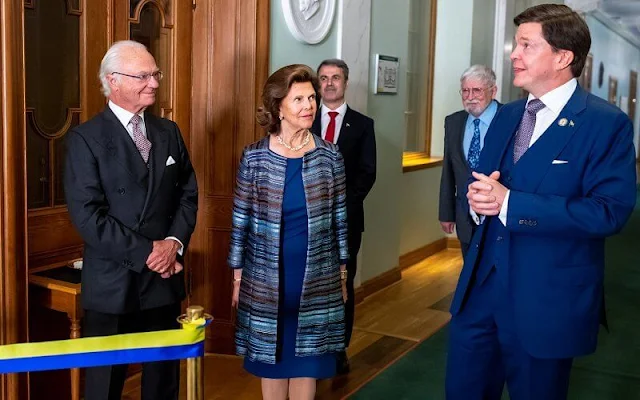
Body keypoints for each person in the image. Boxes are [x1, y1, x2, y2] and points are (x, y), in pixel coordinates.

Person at [446, 4, 637, 400]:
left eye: (526, 46)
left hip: (547, 303)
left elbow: (608, 212)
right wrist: (478, 200)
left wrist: (511, 205)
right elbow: (486, 186)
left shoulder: (606, 123)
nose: (513, 54)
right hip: (478, 296)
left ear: (563, 57)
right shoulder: (506, 115)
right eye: (517, 45)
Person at [64, 40, 198, 400]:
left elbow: (188, 194)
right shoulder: (85, 139)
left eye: (155, 73)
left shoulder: (168, 132)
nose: (154, 82)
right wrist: (147, 252)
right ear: (114, 80)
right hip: (112, 283)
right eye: (143, 76)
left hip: (163, 278)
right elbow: (88, 216)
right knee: (103, 387)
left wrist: (173, 244)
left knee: (162, 385)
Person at [228, 64, 348, 400]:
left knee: (307, 362)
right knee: (273, 360)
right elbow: (241, 221)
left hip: (317, 280)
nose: (309, 105)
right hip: (266, 281)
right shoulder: (254, 158)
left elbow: (340, 218)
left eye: (311, 97)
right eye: (299, 99)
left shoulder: (330, 156)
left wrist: (341, 275)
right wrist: (237, 278)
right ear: (277, 106)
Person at [311, 59, 376, 374]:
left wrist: (339, 207)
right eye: (323, 78)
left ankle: (339, 350)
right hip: (307, 222)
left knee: (341, 284)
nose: (329, 83)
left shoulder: (363, 125)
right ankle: (311, 347)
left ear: (346, 82)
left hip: (346, 222)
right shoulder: (304, 120)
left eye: (335, 78)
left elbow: (367, 174)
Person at [439, 65, 501, 257]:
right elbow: (448, 171)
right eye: (465, 90)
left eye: (477, 90)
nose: (470, 96)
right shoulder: (453, 122)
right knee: (469, 274)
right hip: (464, 215)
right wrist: (446, 213)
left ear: (493, 90)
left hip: (498, 214)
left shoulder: (510, 118)